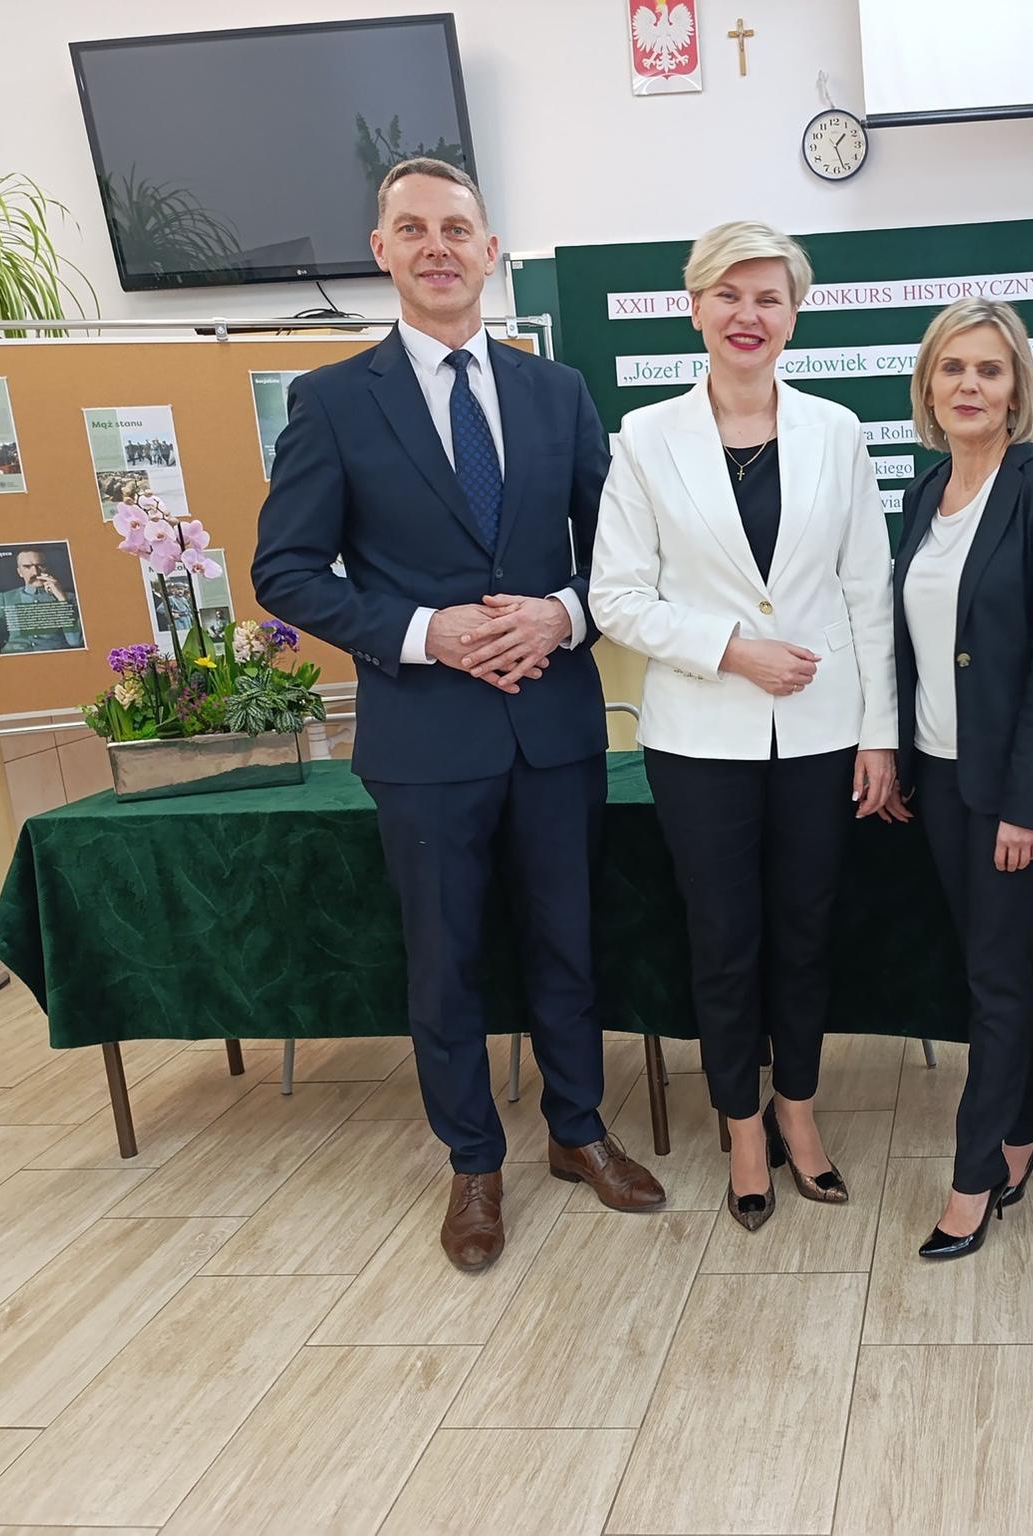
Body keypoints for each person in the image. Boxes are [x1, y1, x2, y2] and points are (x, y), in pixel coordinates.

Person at [253, 157, 664, 1275]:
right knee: (444, 964)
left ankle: (578, 1132)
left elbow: (622, 557)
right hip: (424, 737)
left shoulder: (557, 392)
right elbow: (285, 570)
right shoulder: (334, 401)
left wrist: (563, 616)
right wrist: (423, 631)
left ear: (490, 252)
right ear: (382, 251)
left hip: (554, 726)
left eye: (456, 228)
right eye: (413, 229)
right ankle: (473, 1164)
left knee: (567, 943)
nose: (437, 246)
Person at [590, 220, 897, 1233]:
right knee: (723, 942)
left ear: (794, 315)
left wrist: (879, 733)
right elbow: (616, 598)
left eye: (769, 297)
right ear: (695, 308)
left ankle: (798, 1112)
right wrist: (730, 648)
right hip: (697, 740)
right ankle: (742, 1128)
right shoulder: (645, 438)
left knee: (806, 934)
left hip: (822, 734)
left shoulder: (837, 432)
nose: (748, 314)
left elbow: (868, 590)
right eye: (728, 294)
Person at [881, 298, 1033, 1259]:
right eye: (953, 368)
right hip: (938, 776)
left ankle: (974, 1177)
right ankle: (1027, 1124)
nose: (969, 385)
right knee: (988, 967)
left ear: (1017, 392)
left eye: (990, 369)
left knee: (997, 983)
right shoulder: (923, 491)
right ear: (929, 386)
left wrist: (1027, 803)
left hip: (1018, 790)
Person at [0, 548, 82, 653]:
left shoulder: (69, 598)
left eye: (40, 565)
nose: (35, 572)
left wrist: (62, 599)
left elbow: (75, 641)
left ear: (48, 568)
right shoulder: (5, 598)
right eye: (27, 567)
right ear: (20, 572)